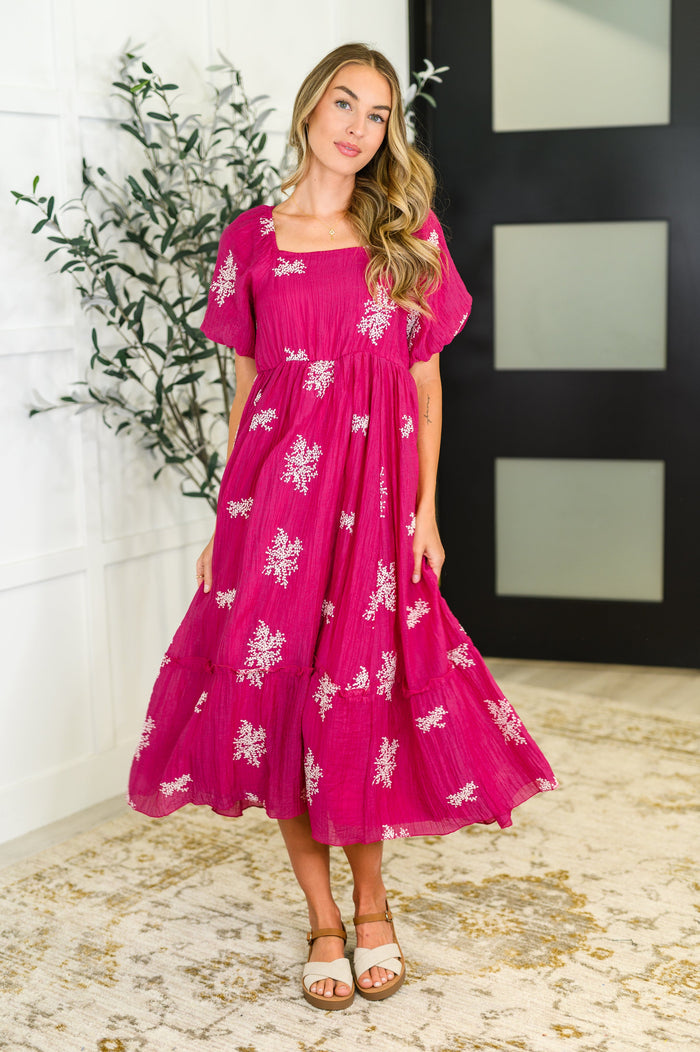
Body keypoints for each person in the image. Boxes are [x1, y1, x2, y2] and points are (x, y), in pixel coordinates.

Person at [127, 42, 558, 1011]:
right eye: (343, 102)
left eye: (376, 113)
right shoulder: (250, 240)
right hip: (271, 511)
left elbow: (425, 385)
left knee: (354, 700)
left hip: (371, 510)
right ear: (310, 109)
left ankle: (373, 902)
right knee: (279, 697)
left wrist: (427, 511)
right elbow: (246, 391)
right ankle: (322, 913)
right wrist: (222, 520)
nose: (357, 126)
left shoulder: (407, 235)